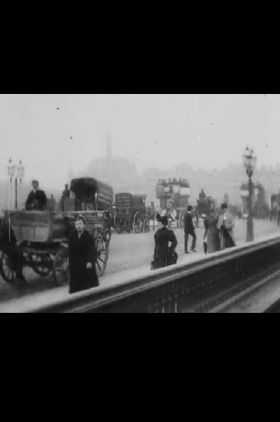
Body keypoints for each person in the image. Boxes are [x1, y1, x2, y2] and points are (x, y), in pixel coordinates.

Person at [68, 215, 99, 294]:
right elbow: (70, 251)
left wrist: (90, 261)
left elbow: (92, 251)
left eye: (80, 224)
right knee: (76, 287)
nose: (78, 226)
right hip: (75, 264)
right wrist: (70, 261)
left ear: (84, 225)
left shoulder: (88, 237)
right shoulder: (72, 236)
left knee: (87, 288)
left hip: (86, 264)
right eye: (77, 224)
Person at [0, 219, 26, 284]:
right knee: (15, 254)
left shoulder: (5, 225)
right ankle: (19, 274)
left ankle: (19, 274)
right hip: (7, 241)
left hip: (7, 241)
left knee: (15, 255)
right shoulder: (5, 224)